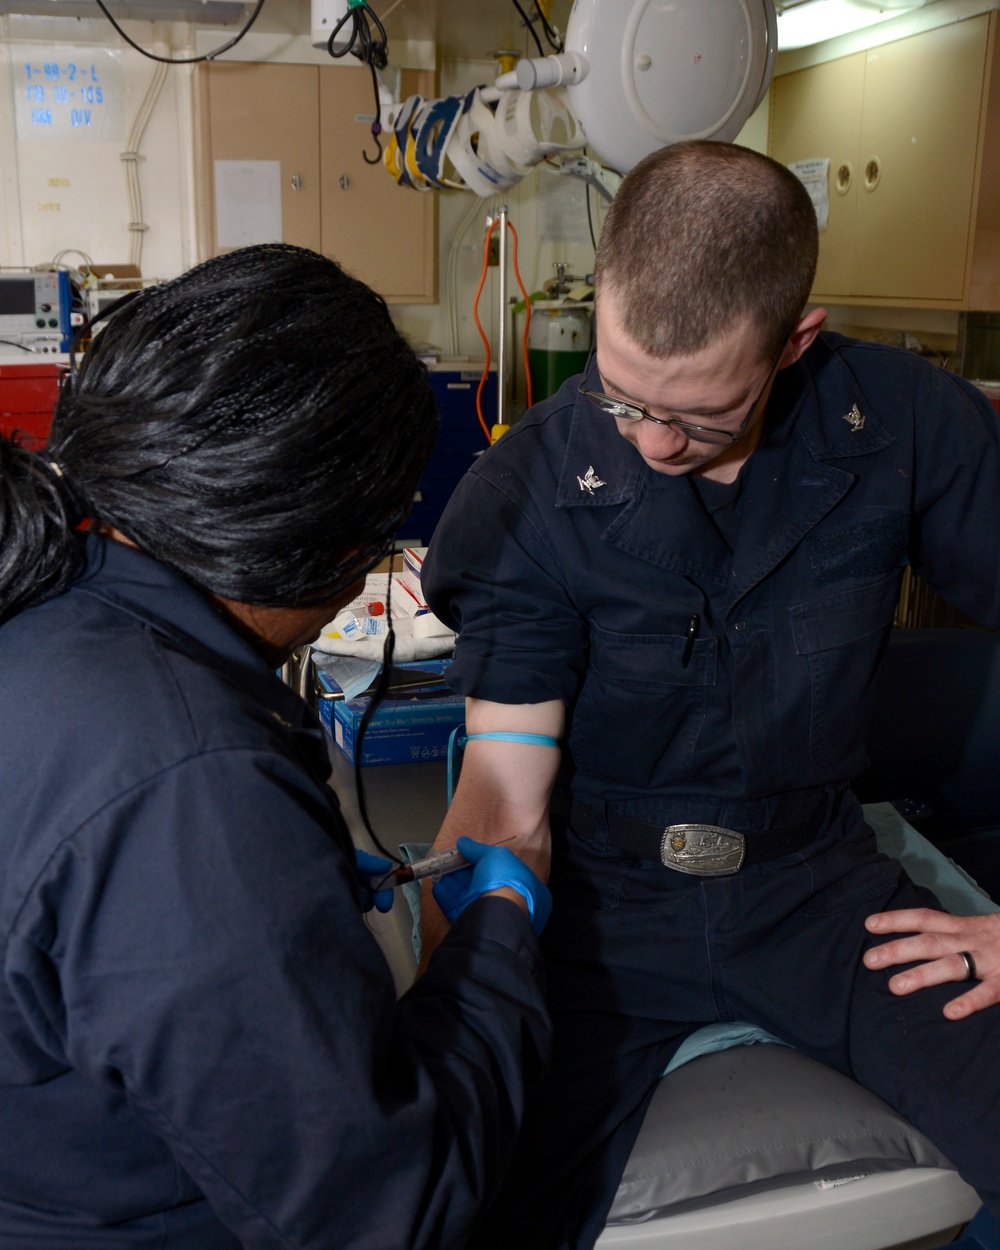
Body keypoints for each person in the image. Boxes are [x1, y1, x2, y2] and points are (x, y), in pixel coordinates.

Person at [420, 141, 1000, 1249]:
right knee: (456, 1198)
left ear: (793, 342)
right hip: (600, 904)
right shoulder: (529, 487)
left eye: (696, 415)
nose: (647, 440)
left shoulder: (909, 425)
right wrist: (461, 987)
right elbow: (506, 793)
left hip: (819, 888)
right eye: (620, 391)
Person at [0, 244, 552, 1248]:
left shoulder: (48, 600)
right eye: (383, 544)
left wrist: (284, 904)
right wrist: (501, 934)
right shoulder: (189, 785)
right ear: (327, 550)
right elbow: (396, 1209)